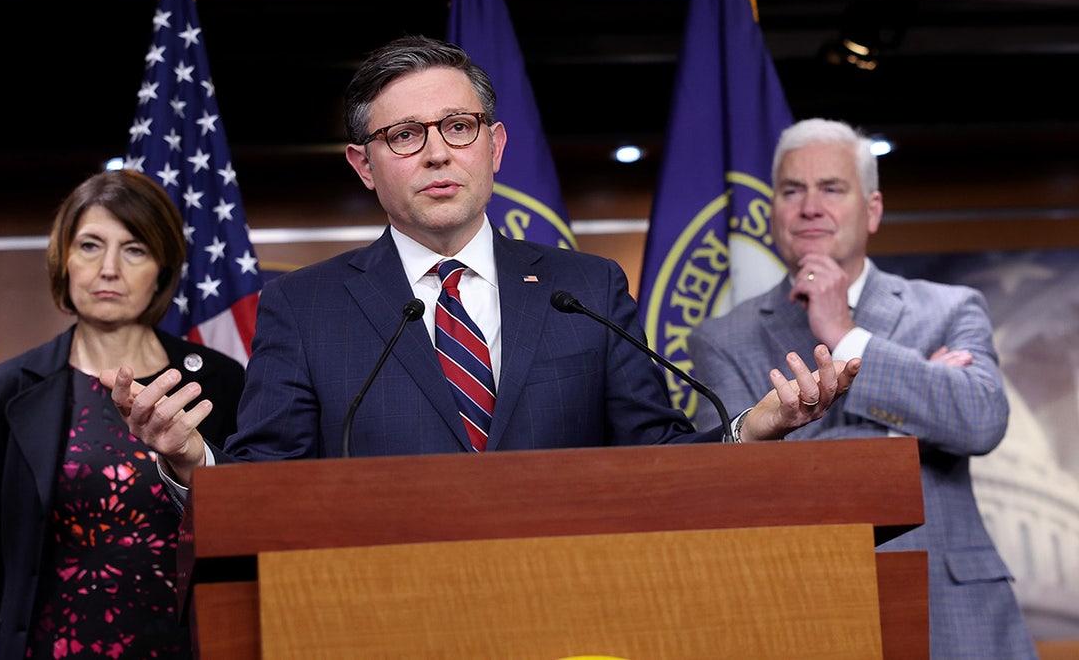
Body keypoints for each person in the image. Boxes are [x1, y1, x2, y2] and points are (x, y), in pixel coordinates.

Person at [105, 35, 857, 492]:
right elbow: (265, 486)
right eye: (404, 136)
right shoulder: (305, 307)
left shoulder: (586, 288)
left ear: (494, 147)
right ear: (364, 166)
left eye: (458, 126)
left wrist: (750, 428)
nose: (437, 151)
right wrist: (189, 455)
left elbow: (653, 459)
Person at [689, 117, 1038, 658]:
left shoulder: (950, 308)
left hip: (953, 613)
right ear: (774, 212)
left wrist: (847, 337)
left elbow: (981, 420)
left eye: (831, 188)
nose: (810, 207)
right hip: (808, 611)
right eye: (791, 191)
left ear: (872, 209)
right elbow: (747, 487)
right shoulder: (721, 338)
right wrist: (913, 426)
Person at [0, 170, 245, 660]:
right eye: (90, 245)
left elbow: (251, 522)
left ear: (161, 268)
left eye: (134, 249)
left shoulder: (219, 381)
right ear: (64, 260)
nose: (108, 268)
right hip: (50, 648)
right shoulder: (8, 388)